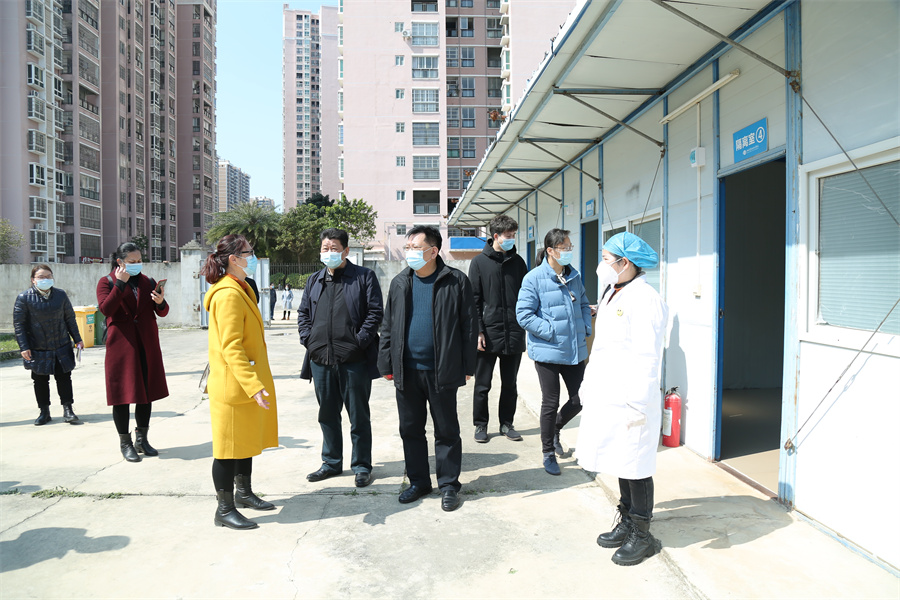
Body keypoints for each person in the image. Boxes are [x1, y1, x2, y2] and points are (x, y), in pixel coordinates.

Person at [576, 232, 668, 566]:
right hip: (610, 394)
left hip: (633, 398)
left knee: (636, 464)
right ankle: (627, 520)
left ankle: (642, 537)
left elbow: (647, 356)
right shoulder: (614, 291)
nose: (601, 265)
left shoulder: (645, 298)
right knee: (621, 460)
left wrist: (638, 402)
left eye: (606, 259)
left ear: (624, 262)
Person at [378, 225, 476, 512]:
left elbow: (469, 326)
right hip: (407, 370)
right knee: (410, 429)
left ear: (433, 252)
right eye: (407, 247)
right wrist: (386, 362)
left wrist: (468, 365)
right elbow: (388, 325)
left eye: (415, 248)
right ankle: (419, 482)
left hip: (441, 369)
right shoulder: (400, 282)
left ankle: (449, 485)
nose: (409, 252)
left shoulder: (455, 281)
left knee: (446, 431)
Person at [202, 234, 279, 530]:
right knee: (227, 449)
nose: (253, 257)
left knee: (244, 442)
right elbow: (231, 347)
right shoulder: (228, 294)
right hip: (233, 385)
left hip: (242, 382)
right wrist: (253, 385)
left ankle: (244, 493)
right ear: (233, 259)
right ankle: (224, 509)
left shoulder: (242, 287)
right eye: (249, 253)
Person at [298, 228, 384, 487]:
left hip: (354, 360)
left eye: (334, 248)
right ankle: (331, 462)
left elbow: (375, 313)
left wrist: (359, 342)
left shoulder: (363, 277)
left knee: (358, 416)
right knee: (327, 415)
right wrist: (309, 340)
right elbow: (303, 313)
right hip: (320, 359)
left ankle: (362, 465)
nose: (329, 253)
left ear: (346, 251)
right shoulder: (315, 280)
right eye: (325, 248)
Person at [515, 228, 592, 476]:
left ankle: (556, 428)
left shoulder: (574, 276)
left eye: (570, 247)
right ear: (550, 250)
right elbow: (523, 315)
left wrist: (584, 327)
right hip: (548, 350)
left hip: (574, 349)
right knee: (550, 402)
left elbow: (583, 304)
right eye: (565, 247)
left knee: (581, 398)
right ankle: (548, 452)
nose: (569, 251)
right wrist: (550, 331)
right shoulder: (533, 278)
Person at [97, 242, 169, 463]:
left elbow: (163, 312)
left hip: (147, 343)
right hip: (122, 345)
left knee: (146, 394)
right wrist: (120, 283)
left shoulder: (148, 281)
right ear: (120, 262)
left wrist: (161, 302)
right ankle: (125, 443)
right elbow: (106, 309)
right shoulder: (107, 281)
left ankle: (142, 439)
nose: (137, 264)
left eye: (139, 261)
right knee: (122, 396)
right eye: (132, 261)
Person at [468, 214, 528, 443]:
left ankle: (506, 423)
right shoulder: (479, 263)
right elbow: (473, 301)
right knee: (483, 385)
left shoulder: (518, 262)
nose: (512, 239)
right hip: (488, 334)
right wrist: (478, 331)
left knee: (510, 384)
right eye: (509, 235)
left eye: (514, 235)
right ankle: (480, 425)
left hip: (514, 332)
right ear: (496, 236)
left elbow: (526, 296)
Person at [13, 265, 84, 426]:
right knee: (40, 380)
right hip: (37, 346)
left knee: (64, 377)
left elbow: (69, 318)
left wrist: (77, 339)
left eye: (48, 276)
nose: (45, 279)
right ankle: (44, 412)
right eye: (41, 277)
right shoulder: (24, 298)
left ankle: (68, 409)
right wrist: (24, 346)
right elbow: (19, 325)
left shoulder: (60, 295)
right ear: (33, 280)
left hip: (61, 343)